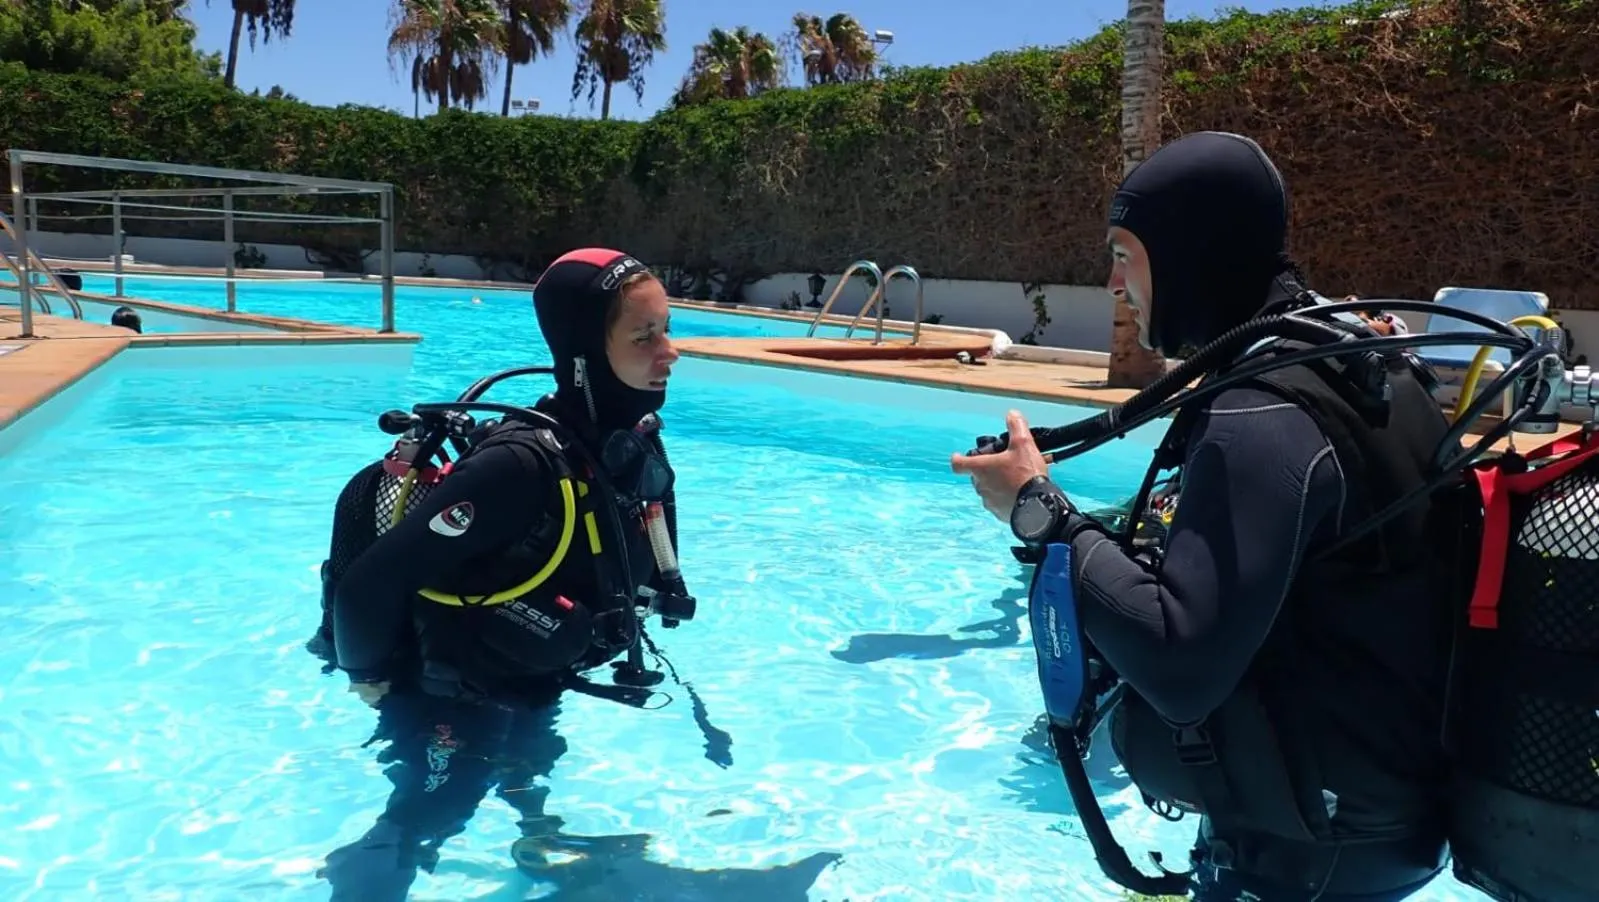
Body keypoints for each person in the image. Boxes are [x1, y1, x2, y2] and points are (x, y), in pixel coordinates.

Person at [952, 132, 1459, 900]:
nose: (1114, 281)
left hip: (1307, 856)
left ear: (1187, 253)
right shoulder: (1350, 361)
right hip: (1365, 821)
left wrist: (1037, 511)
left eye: (1125, 253)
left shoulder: (1261, 411)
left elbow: (1179, 664)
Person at [307, 247, 694, 901]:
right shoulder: (517, 466)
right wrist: (370, 681)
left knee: (531, 768)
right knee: (428, 817)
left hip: (531, 677)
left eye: (666, 329)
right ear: (583, 353)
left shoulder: (621, 446)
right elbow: (368, 583)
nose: (670, 351)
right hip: (452, 699)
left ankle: (538, 851)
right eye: (644, 335)